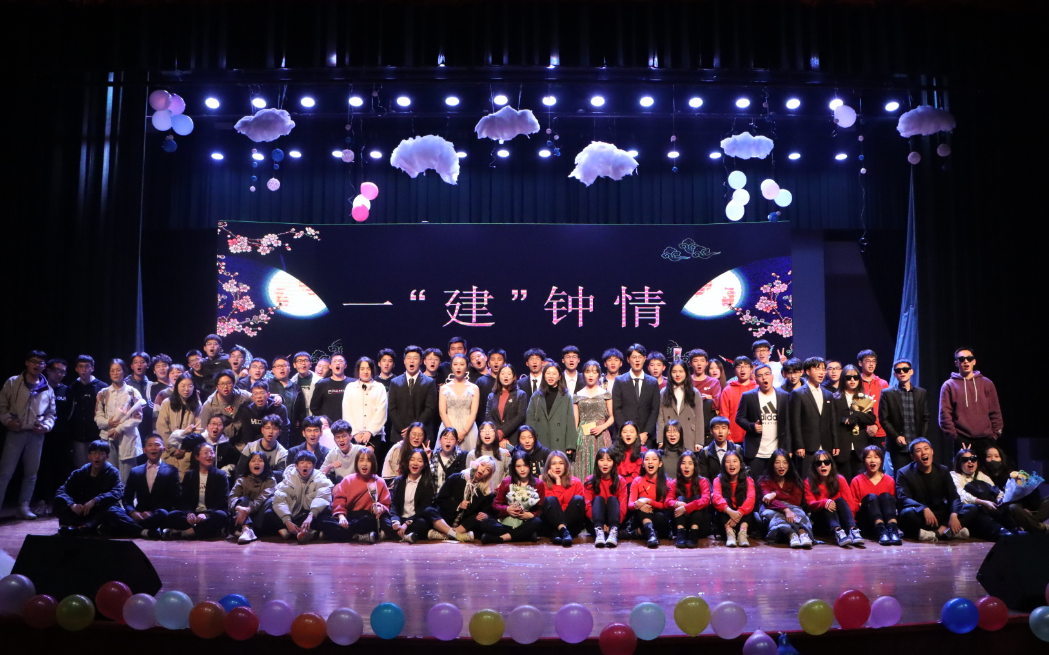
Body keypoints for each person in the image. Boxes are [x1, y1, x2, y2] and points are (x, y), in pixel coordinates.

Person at [0, 351, 58, 520]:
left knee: (31, 473)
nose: (36, 365)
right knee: (5, 472)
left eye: (40, 363)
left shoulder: (47, 388)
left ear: (44, 366)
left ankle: (24, 506)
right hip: (15, 433)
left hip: (35, 435)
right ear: (27, 363)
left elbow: (51, 414)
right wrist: (8, 421)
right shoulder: (13, 382)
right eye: (33, 361)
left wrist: (45, 427)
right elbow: (2, 406)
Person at [896, 437, 978, 542]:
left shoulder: (942, 470)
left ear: (932, 451)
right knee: (906, 514)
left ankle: (936, 533)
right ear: (913, 457)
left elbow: (953, 496)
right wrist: (923, 508)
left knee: (972, 508)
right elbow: (903, 498)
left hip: (941, 514)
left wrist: (954, 514)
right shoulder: (904, 473)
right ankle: (950, 532)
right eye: (918, 450)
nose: (923, 452)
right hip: (921, 515)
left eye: (926, 448)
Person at [939, 347, 1002, 458]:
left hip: (986, 439)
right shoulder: (949, 385)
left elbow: (995, 411)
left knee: (986, 469)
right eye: (961, 359)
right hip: (962, 440)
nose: (966, 361)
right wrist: (955, 437)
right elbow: (945, 415)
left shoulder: (987, 383)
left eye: (969, 358)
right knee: (963, 469)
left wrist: (994, 435)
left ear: (974, 361)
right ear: (956, 363)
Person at [114, 435, 181, 539]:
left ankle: (132, 529)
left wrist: (151, 512)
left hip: (159, 514)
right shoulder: (135, 471)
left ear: (163, 449)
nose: (153, 448)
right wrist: (133, 512)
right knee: (114, 510)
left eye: (157, 445)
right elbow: (127, 497)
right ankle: (144, 531)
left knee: (163, 513)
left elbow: (173, 497)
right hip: (138, 515)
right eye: (150, 445)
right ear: (144, 450)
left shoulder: (172, 470)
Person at [161, 442, 230, 540]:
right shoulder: (190, 475)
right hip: (194, 514)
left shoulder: (220, 475)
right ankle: (207, 531)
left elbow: (223, 500)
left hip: (210, 514)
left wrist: (206, 514)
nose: (209, 455)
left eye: (212, 452)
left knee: (221, 516)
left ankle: (185, 533)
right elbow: (184, 499)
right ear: (197, 457)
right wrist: (189, 513)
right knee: (172, 515)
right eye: (206, 453)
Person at [261, 451, 333, 544]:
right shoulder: (289, 478)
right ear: (296, 466)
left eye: (308, 463)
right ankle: (308, 532)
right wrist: (287, 521)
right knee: (269, 513)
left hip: (309, 515)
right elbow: (279, 500)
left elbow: (323, 497)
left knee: (326, 512)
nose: (305, 465)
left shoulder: (320, 478)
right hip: (292, 514)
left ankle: (293, 532)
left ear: (314, 466)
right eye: (302, 462)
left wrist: (311, 516)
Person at [736, 363, 791, 481]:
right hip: (756, 452)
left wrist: (788, 449)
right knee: (756, 484)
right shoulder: (748, 396)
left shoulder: (784, 396)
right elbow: (739, 418)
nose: (764, 378)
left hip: (777, 452)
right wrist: (752, 426)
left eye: (767, 374)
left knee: (776, 485)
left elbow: (788, 424)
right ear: (755, 379)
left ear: (772, 376)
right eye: (760, 376)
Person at [94, 358, 145, 484]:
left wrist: (119, 429)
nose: (115, 373)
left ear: (124, 371)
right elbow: (98, 416)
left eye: (118, 370)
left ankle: (126, 497)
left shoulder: (132, 392)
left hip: (127, 437)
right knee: (110, 476)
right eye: (112, 370)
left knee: (127, 477)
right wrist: (108, 423)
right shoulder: (103, 393)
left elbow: (137, 417)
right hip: (107, 437)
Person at [424, 455, 497, 542]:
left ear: (489, 475)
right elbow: (440, 499)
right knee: (429, 510)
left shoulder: (486, 492)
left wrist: (485, 515)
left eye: (488, 469)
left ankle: (445, 534)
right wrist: (458, 505)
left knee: (478, 517)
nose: (483, 469)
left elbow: (489, 512)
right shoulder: (456, 477)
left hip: (464, 524)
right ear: (475, 464)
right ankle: (455, 535)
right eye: (482, 464)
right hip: (447, 517)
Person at [326, 449, 393, 543]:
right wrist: (341, 517)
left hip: (368, 517)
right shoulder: (348, 480)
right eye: (361, 460)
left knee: (368, 521)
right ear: (357, 463)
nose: (364, 464)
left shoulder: (379, 482)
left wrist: (380, 508)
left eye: (368, 460)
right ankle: (356, 535)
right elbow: (339, 501)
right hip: (350, 517)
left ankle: (335, 534)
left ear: (373, 463)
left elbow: (386, 504)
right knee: (324, 520)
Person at [479, 450, 545, 544]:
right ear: (514, 467)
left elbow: (541, 508)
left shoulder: (538, 484)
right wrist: (507, 509)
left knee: (537, 522)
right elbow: (495, 504)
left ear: (530, 465)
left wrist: (531, 515)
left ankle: (501, 538)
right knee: (484, 523)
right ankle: (525, 535)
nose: (522, 469)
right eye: (518, 466)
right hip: (506, 522)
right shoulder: (507, 482)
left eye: (525, 465)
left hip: (526, 522)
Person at [981, 445, 1049, 532]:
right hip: (1008, 513)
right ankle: (1039, 527)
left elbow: (1032, 493)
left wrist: (1028, 508)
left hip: (1025, 509)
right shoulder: (983, 477)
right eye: (989, 456)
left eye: (996, 456)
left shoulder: (1012, 474)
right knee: (1013, 507)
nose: (993, 459)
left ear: (1002, 458)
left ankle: (1030, 525)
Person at [879, 359, 929, 474]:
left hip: (917, 446)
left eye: (905, 369)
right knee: (901, 477)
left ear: (911, 371)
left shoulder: (921, 393)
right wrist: (896, 436)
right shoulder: (887, 393)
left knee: (919, 476)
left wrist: (921, 440)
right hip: (898, 447)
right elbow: (883, 419)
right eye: (898, 370)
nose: (902, 372)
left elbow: (925, 418)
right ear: (894, 374)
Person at [804, 450, 862, 547]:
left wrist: (850, 522)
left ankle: (853, 530)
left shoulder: (840, 479)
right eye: (819, 463)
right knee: (828, 504)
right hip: (821, 520)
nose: (823, 465)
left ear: (831, 464)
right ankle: (838, 532)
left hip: (841, 520)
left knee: (840, 501)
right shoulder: (808, 482)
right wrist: (824, 503)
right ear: (814, 466)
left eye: (826, 462)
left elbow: (850, 503)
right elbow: (810, 504)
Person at [789, 357, 836, 477]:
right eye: (817, 369)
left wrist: (835, 443)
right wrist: (799, 445)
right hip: (807, 446)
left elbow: (832, 420)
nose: (821, 372)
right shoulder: (798, 393)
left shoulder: (828, 394)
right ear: (808, 371)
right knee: (806, 478)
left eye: (823, 369)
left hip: (826, 445)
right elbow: (795, 422)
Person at [950, 447, 1011, 538]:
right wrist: (983, 502)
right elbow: (961, 495)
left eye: (973, 459)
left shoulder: (981, 475)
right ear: (959, 463)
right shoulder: (954, 475)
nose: (970, 462)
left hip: (988, 511)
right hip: (968, 512)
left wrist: (999, 498)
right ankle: (1001, 533)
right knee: (976, 509)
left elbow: (997, 491)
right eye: (965, 459)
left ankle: (1014, 530)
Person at [758, 450, 813, 549]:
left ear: (789, 464)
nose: (781, 466)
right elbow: (768, 501)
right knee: (776, 516)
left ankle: (803, 534)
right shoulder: (764, 481)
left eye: (785, 462)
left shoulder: (794, 480)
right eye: (777, 462)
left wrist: (775, 493)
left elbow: (796, 501)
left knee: (799, 513)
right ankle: (792, 535)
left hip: (793, 507)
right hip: (772, 508)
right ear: (772, 464)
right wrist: (786, 510)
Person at [849, 446, 903, 545]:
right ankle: (881, 531)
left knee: (886, 496)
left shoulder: (889, 480)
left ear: (881, 460)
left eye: (876, 457)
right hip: (867, 522)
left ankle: (893, 531)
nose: (872, 460)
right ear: (864, 460)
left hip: (887, 521)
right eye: (869, 457)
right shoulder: (856, 481)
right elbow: (853, 505)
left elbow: (893, 504)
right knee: (872, 497)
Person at [36, 358, 71, 510]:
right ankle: (41, 502)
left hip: (61, 437)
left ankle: (59, 503)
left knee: (61, 471)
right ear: (48, 370)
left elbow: (69, 414)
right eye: (57, 370)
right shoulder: (39, 388)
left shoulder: (67, 390)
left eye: (63, 372)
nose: (60, 374)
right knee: (42, 470)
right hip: (41, 436)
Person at [387, 346, 439, 447]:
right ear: (404, 361)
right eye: (409, 358)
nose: (412, 361)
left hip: (423, 433)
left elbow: (430, 408)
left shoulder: (429, 382)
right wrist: (403, 429)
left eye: (415, 358)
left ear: (421, 361)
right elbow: (392, 408)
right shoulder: (395, 382)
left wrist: (414, 429)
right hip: (399, 434)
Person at [831, 365, 876, 479]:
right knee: (844, 481)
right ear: (843, 379)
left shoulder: (863, 397)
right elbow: (833, 420)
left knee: (859, 480)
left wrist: (855, 416)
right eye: (849, 378)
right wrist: (845, 420)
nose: (852, 380)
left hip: (859, 447)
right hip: (842, 446)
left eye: (855, 377)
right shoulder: (835, 398)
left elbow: (871, 419)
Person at [573, 360, 614, 481]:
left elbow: (612, 417)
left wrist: (602, 427)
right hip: (583, 435)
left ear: (599, 375)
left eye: (594, 372)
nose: (591, 375)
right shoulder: (577, 395)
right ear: (583, 374)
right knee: (583, 464)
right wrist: (574, 440)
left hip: (601, 434)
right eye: (587, 372)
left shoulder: (606, 394)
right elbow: (575, 421)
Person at [613, 344, 661, 449]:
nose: (637, 360)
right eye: (634, 357)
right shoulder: (619, 381)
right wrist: (626, 432)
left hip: (646, 438)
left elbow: (655, 410)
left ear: (645, 358)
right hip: (624, 437)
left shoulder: (653, 382)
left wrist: (646, 432)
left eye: (640, 357)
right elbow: (617, 408)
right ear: (628, 359)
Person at [155, 373, 202, 477]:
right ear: (177, 386)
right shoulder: (167, 403)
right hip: (168, 452)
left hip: (187, 453)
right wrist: (172, 449)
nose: (186, 389)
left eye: (190, 386)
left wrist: (184, 447)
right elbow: (162, 428)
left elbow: (198, 430)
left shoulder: (197, 405)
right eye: (183, 386)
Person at [627, 449, 675, 548]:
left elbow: (666, 505)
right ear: (643, 464)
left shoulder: (666, 482)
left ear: (660, 464)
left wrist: (649, 502)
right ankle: (651, 534)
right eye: (647, 459)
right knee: (642, 504)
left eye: (654, 459)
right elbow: (630, 504)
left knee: (658, 516)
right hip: (642, 516)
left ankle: (642, 532)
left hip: (660, 519)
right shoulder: (637, 481)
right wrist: (639, 504)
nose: (650, 462)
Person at [526, 363, 576, 455]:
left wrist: (570, 444)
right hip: (540, 440)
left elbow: (570, 421)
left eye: (554, 373)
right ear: (544, 375)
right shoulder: (537, 396)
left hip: (559, 440)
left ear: (559, 376)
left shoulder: (566, 396)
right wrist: (530, 439)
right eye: (548, 373)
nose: (551, 376)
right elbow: (530, 420)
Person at [389, 448, 437, 543]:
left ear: (425, 464)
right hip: (400, 519)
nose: (415, 463)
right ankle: (407, 536)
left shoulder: (427, 484)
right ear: (408, 462)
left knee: (423, 524)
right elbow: (394, 503)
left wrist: (407, 523)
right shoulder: (398, 481)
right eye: (412, 459)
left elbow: (424, 509)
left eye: (419, 460)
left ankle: (394, 535)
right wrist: (396, 521)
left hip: (415, 520)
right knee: (385, 520)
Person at [342, 357, 388, 455]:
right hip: (354, 436)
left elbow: (382, 412)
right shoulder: (350, 387)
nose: (365, 371)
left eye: (368, 368)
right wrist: (355, 432)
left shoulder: (379, 387)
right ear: (358, 371)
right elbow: (347, 411)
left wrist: (370, 431)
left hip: (375, 436)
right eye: (362, 369)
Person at [68, 355, 108, 468]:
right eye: (81, 366)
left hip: (97, 436)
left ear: (92, 368)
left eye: (87, 366)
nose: (84, 370)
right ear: (76, 369)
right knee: (81, 468)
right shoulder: (72, 388)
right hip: (78, 437)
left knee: (98, 467)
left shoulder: (102, 387)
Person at [228, 451, 275, 544]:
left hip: (259, 519)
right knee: (243, 499)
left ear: (265, 464)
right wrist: (238, 507)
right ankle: (246, 529)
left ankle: (249, 529)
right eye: (253, 460)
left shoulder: (270, 481)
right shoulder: (241, 480)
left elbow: (262, 499)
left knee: (270, 501)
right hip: (241, 515)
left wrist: (248, 509)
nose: (256, 463)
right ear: (248, 464)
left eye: (260, 460)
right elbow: (232, 498)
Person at [711, 451, 756, 547]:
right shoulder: (718, 480)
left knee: (745, 501)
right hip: (725, 521)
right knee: (725, 501)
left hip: (743, 520)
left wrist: (738, 513)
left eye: (735, 461)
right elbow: (716, 499)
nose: (732, 464)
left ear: (740, 463)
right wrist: (730, 512)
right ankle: (730, 534)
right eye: (728, 461)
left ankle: (742, 534)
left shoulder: (748, 480)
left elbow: (751, 499)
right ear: (724, 465)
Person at [541, 450, 585, 546]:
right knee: (551, 500)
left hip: (571, 526)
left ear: (566, 466)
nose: (557, 467)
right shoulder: (543, 484)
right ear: (549, 467)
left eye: (561, 463)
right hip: (551, 524)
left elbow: (578, 510)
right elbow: (554, 508)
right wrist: (558, 482)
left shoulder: (576, 483)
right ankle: (563, 532)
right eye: (554, 464)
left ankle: (558, 532)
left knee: (578, 499)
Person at [585, 448, 627, 548]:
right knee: (598, 499)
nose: (605, 464)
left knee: (612, 499)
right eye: (601, 460)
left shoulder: (620, 481)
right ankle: (599, 533)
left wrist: (616, 524)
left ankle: (613, 533)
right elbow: (587, 504)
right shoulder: (590, 480)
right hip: (595, 522)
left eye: (609, 460)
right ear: (597, 462)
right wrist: (598, 523)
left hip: (615, 522)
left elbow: (623, 505)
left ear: (613, 462)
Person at [659, 360, 704, 452]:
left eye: (681, 371)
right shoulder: (664, 393)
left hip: (689, 434)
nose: (677, 375)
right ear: (670, 374)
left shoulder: (694, 393)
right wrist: (660, 439)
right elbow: (660, 418)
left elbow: (699, 418)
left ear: (686, 373)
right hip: (669, 435)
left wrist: (699, 442)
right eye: (674, 372)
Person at [669, 450, 711, 548]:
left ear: (694, 466)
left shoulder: (702, 481)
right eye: (683, 463)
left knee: (697, 498)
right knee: (681, 499)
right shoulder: (675, 482)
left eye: (690, 463)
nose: (686, 466)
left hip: (699, 525)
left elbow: (705, 500)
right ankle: (681, 532)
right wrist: (678, 504)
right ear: (679, 466)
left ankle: (693, 531)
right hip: (680, 522)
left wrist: (686, 507)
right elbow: (668, 501)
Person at [438, 353, 480, 450]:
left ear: (467, 367)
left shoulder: (474, 388)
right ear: (451, 367)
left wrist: (464, 432)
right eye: (455, 364)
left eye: (462, 364)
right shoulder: (444, 388)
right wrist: (452, 433)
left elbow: (473, 413)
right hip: (448, 425)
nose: (458, 367)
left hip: (468, 427)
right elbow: (442, 412)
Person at [199, 370, 251, 444]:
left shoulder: (242, 396)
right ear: (217, 387)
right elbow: (204, 430)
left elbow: (256, 397)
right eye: (222, 384)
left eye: (229, 383)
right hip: (220, 442)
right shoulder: (208, 405)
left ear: (233, 384)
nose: (225, 387)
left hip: (242, 439)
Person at [235, 414, 289, 482]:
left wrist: (261, 471)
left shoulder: (283, 453)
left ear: (280, 432)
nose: (271, 431)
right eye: (267, 428)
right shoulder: (250, 447)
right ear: (262, 430)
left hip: (271, 485)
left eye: (275, 428)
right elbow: (240, 471)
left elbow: (281, 475)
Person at [486, 363, 528, 448]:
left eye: (509, 374)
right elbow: (488, 415)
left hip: (513, 437)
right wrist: (498, 434)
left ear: (514, 377)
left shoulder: (521, 395)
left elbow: (520, 416)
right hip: (495, 437)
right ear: (498, 376)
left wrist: (502, 432)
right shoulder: (491, 396)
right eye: (503, 373)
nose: (506, 376)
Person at [717, 356, 756, 448]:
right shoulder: (727, 390)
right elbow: (724, 414)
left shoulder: (757, 388)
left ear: (751, 369)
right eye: (739, 367)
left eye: (746, 366)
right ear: (734, 370)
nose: (742, 369)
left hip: (755, 436)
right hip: (734, 438)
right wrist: (727, 436)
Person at [241, 380, 290, 446]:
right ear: (252, 397)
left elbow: (284, 432)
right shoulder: (247, 410)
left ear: (268, 395)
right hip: (255, 446)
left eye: (262, 393)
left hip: (276, 446)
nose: (259, 396)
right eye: (255, 393)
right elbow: (247, 434)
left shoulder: (280, 409)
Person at [857, 350, 889, 447]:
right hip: (861, 430)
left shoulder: (883, 384)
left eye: (873, 361)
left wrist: (876, 425)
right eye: (867, 361)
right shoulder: (856, 383)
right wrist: (866, 426)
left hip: (879, 431)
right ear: (860, 363)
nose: (871, 364)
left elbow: (886, 409)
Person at [320, 420, 367, 484]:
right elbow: (320, 476)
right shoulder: (333, 453)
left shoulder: (361, 451)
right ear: (334, 440)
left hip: (359, 484)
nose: (341, 440)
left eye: (344, 436)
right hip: (340, 487)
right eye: (338, 437)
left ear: (350, 437)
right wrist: (330, 466)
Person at [310, 354, 352, 422]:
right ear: (330, 366)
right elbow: (314, 407)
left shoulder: (353, 383)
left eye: (340, 361)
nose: (337, 363)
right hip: (328, 425)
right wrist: (324, 420)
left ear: (345, 366)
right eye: (335, 361)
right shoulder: (322, 384)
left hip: (349, 424)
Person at [125, 351, 154, 437]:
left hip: (147, 425)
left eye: (142, 362)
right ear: (132, 366)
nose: (139, 364)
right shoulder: (125, 384)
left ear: (147, 365)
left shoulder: (152, 385)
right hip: (129, 425)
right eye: (136, 362)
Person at [611, 421, 645, 488]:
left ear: (637, 435)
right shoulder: (613, 451)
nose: (628, 434)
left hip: (636, 485)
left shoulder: (643, 451)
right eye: (625, 432)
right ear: (621, 435)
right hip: (617, 484)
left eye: (631, 432)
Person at [290, 351, 321, 424]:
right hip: (299, 419)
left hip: (316, 418)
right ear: (294, 365)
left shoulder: (320, 382)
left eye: (306, 360)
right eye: (299, 361)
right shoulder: (291, 383)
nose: (303, 363)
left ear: (310, 364)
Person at [198, 335, 231, 399]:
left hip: (223, 394)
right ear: (205, 348)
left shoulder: (227, 359)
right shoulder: (203, 361)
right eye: (209, 344)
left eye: (215, 344)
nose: (212, 346)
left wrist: (244, 369)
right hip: (206, 396)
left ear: (220, 348)